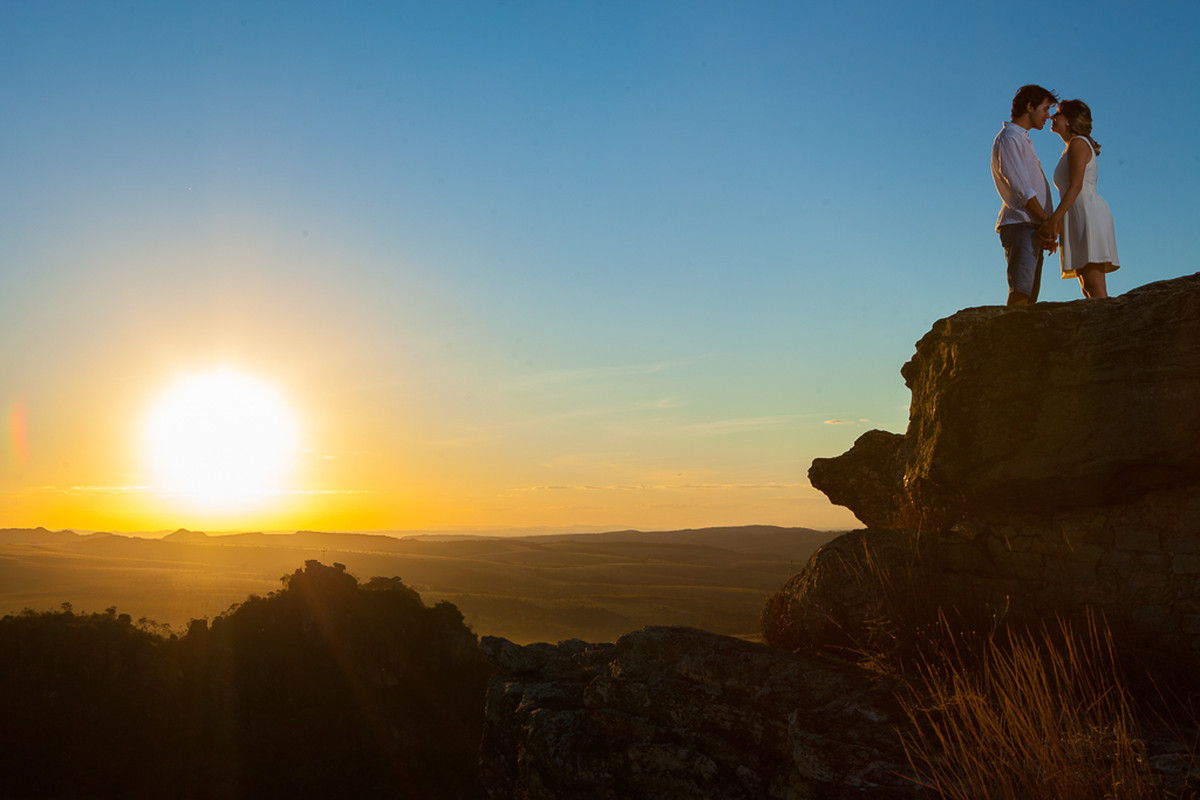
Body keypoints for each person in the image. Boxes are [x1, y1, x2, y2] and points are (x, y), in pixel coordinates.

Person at [1042, 99, 1119, 298]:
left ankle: (1109, 327)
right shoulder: (1070, 147)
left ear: (1069, 120)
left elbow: (1076, 186)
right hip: (1077, 214)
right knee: (1087, 287)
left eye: (1057, 114)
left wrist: (1054, 220)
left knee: (1094, 285)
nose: (1052, 117)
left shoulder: (1078, 144)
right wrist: (1058, 226)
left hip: (1088, 214)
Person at [991, 84, 1059, 306]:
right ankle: (1008, 341)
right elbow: (1023, 190)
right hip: (1021, 223)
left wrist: (1044, 227)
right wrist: (1046, 221)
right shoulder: (1010, 138)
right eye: (1045, 109)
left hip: (1030, 224)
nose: (1048, 116)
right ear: (1030, 107)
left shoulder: (1021, 139)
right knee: (1021, 294)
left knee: (1028, 296)